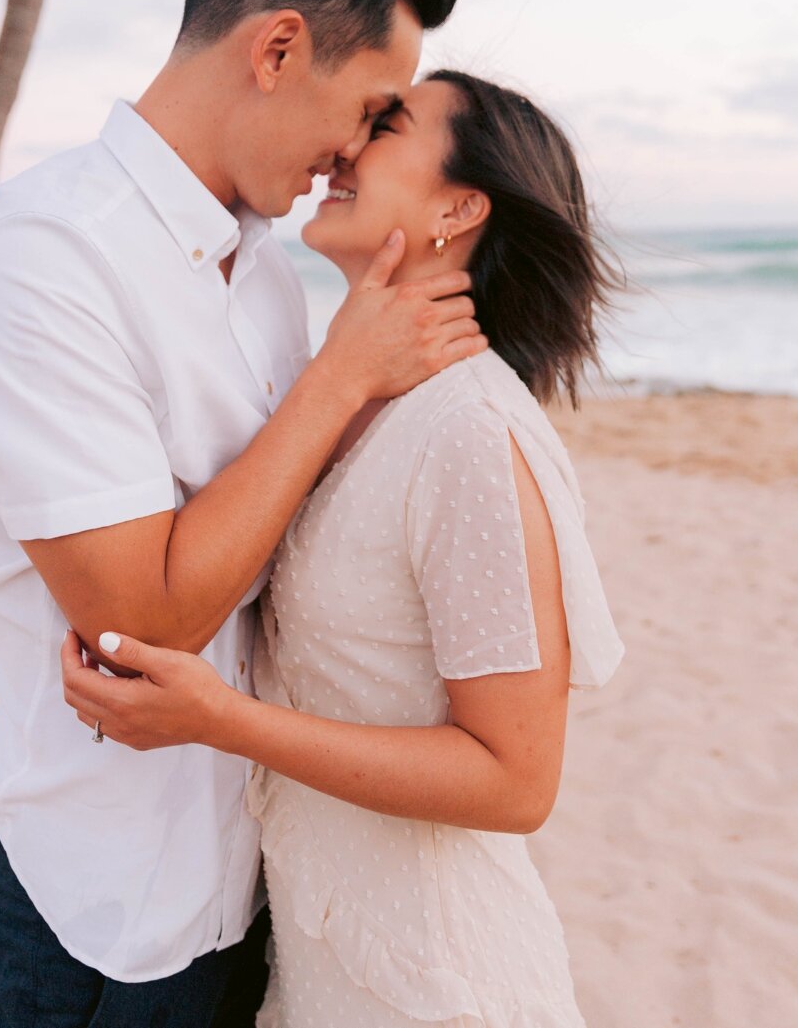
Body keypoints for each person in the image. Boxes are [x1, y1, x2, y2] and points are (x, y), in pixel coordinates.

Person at [0, 0, 483, 1026]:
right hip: (100, 905)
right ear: (276, 49)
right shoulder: (42, 258)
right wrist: (338, 378)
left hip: (259, 877)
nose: (356, 148)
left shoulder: (269, 273)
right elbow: (147, 616)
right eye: (370, 105)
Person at [62, 70, 624, 1028]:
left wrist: (218, 718)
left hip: (435, 984)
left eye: (387, 125)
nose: (347, 146)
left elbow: (517, 778)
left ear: (459, 205)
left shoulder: (473, 431)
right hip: (323, 959)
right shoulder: (350, 391)